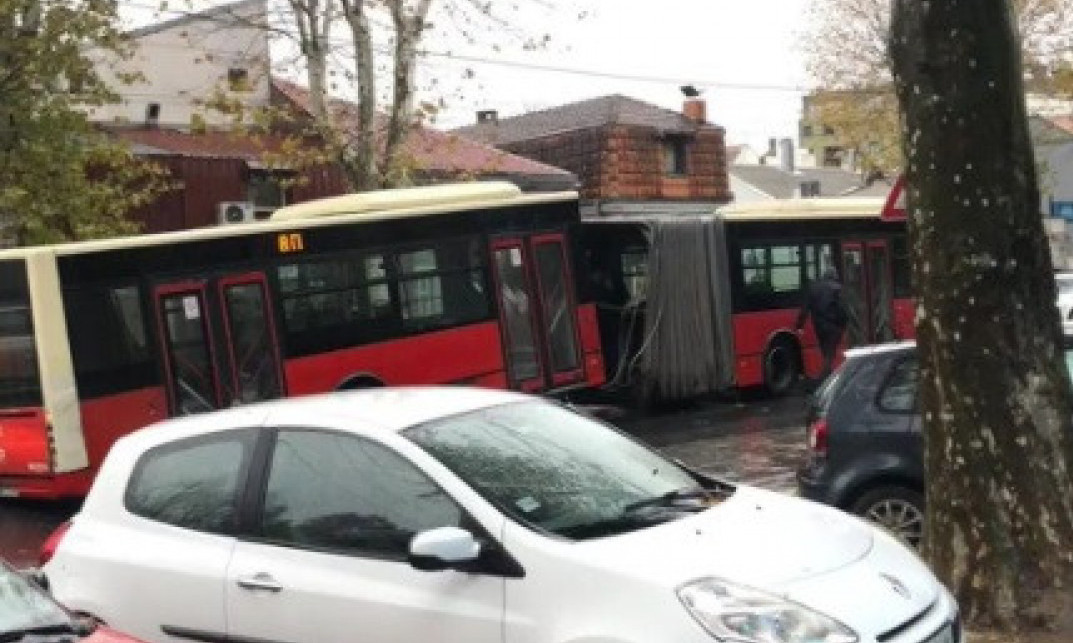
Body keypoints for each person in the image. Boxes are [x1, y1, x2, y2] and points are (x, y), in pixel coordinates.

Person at [796, 267, 848, 381]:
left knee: (826, 352)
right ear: (834, 276)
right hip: (834, 326)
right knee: (830, 354)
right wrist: (844, 324)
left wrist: (799, 326)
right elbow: (842, 309)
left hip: (818, 326)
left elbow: (805, 308)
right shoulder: (837, 288)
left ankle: (830, 379)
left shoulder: (813, 288)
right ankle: (822, 380)